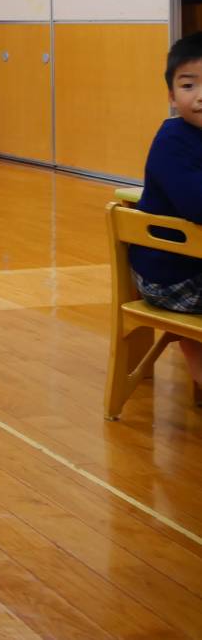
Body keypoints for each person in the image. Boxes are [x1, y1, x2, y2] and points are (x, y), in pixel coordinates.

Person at [131, 32, 202, 390]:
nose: (201, 95)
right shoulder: (172, 141)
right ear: (172, 96)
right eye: (189, 85)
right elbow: (198, 206)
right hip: (170, 277)